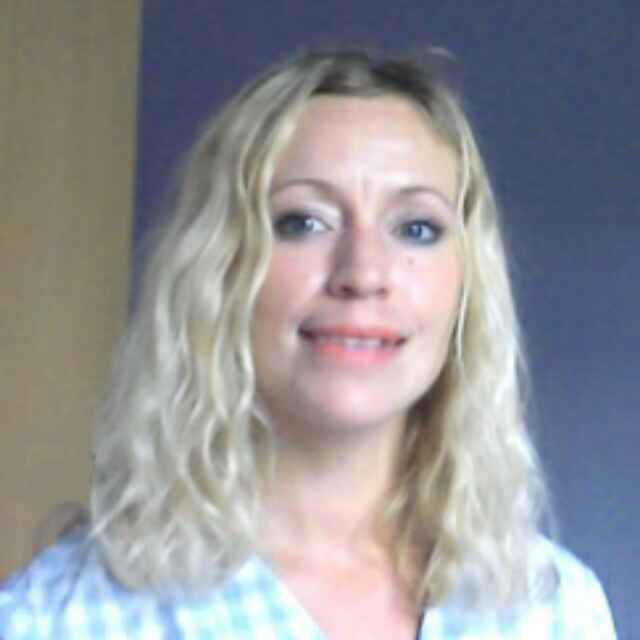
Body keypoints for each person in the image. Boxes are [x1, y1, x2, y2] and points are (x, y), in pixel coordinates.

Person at [0, 47, 617, 639]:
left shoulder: (554, 608)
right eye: (304, 222)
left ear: (466, 284)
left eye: (416, 228)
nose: (363, 272)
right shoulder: (55, 618)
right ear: (218, 269)